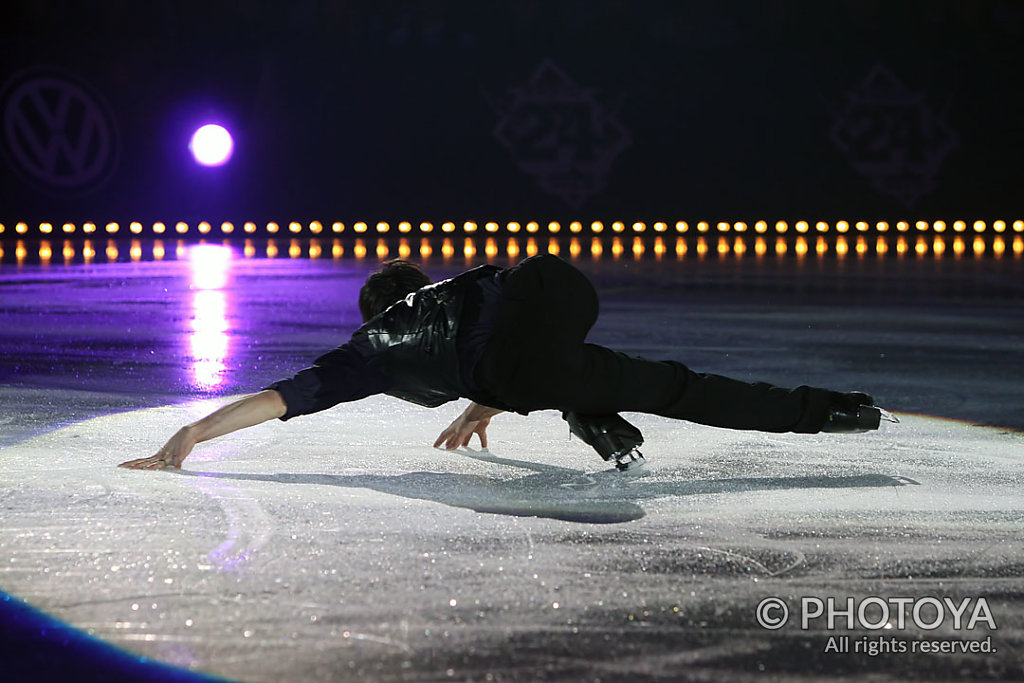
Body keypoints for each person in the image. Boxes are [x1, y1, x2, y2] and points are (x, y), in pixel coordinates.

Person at [119, 254, 890, 472]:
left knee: (598, 381)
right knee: (677, 385)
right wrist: (491, 391)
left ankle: (595, 418)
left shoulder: (370, 349)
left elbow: (280, 396)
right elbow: (502, 335)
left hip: (525, 366)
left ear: (374, 312)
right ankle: (834, 406)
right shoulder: (453, 291)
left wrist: (190, 432)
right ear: (417, 287)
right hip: (552, 288)